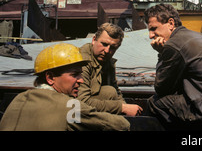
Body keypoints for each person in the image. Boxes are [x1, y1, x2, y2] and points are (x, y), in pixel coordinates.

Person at [0, 43, 130, 131]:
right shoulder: (69, 106)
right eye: (74, 74)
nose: (81, 80)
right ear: (50, 78)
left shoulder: (17, 100)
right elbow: (121, 125)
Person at [78, 23, 142, 116]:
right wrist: (122, 107)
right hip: (73, 109)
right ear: (94, 40)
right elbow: (81, 102)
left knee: (111, 91)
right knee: (109, 92)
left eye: (113, 47)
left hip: (91, 104)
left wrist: (126, 108)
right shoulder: (82, 61)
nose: (107, 51)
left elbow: (116, 92)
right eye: (104, 44)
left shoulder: (107, 61)